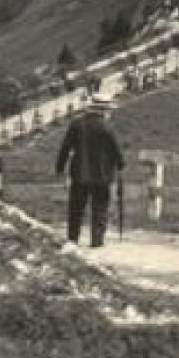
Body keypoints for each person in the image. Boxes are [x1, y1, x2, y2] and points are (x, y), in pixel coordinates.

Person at [55, 94, 125, 250]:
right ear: (103, 110)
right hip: (102, 176)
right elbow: (116, 150)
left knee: (76, 208)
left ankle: (73, 239)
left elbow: (65, 148)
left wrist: (60, 167)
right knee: (100, 208)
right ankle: (97, 241)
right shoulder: (107, 127)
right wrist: (121, 164)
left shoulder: (77, 124)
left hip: (79, 174)